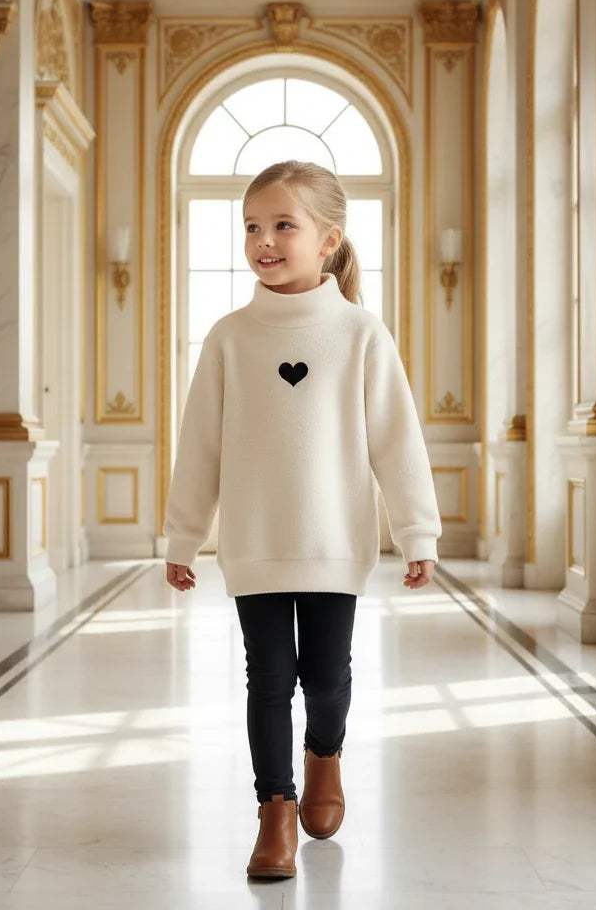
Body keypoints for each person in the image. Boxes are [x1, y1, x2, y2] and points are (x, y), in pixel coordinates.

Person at [162, 159, 442, 880]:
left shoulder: (359, 333)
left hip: (332, 540)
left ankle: (324, 756)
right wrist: (184, 535)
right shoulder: (228, 337)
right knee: (267, 677)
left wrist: (418, 532)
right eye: (252, 226)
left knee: (325, 677)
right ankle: (275, 813)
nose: (264, 239)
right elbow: (200, 444)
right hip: (254, 541)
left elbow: (396, 439)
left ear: (329, 241)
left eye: (284, 224)